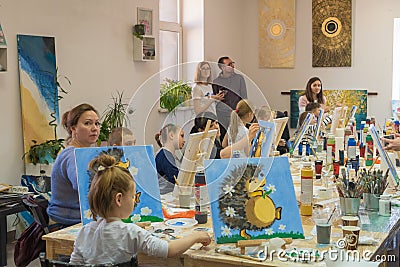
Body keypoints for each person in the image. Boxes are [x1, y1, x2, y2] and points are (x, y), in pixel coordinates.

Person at [69, 154, 211, 264]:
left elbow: (74, 263)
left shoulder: (85, 232)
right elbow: (170, 250)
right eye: (132, 196)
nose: (134, 200)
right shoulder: (131, 233)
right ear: (119, 199)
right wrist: (196, 236)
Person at [47, 103, 100, 227]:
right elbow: (85, 187)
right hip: (66, 222)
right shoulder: (72, 155)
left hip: (79, 217)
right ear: (73, 128)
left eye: (97, 123)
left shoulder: (84, 153)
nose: (94, 128)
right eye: (87, 123)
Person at [212, 56, 247, 141]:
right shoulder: (216, 81)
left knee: (238, 138)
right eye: (229, 64)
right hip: (222, 115)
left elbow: (244, 97)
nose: (232, 66)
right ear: (222, 67)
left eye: (232, 63)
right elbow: (215, 100)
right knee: (225, 139)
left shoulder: (239, 78)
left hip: (236, 114)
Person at [155, 124, 185, 194]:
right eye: (182, 136)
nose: (184, 140)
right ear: (171, 135)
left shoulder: (167, 154)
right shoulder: (165, 156)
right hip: (164, 195)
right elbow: (175, 179)